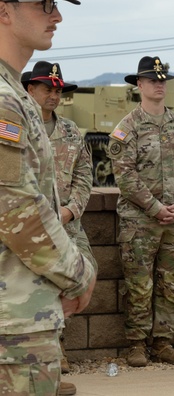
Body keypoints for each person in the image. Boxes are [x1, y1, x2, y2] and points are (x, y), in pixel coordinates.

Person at [0, 0, 97, 395]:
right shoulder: (5, 101)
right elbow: (15, 207)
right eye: (43, 3)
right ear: (4, 9)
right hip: (13, 318)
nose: (56, 16)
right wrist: (77, 273)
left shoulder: (13, 94)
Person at [109, 56, 174, 366]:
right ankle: (136, 344)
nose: (159, 84)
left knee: (173, 284)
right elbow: (125, 176)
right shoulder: (127, 127)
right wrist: (155, 207)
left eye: (163, 80)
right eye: (152, 80)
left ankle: (163, 342)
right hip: (140, 222)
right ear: (140, 85)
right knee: (139, 284)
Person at [22, 61, 93, 394]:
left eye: (57, 90)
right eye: (46, 89)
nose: (52, 95)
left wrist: (70, 210)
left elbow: (84, 176)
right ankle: (44, 359)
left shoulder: (71, 132)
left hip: (67, 226)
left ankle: (55, 347)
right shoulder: (17, 126)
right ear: (29, 90)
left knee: (78, 280)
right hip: (28, 227)